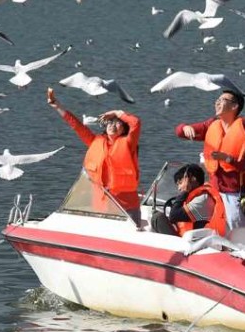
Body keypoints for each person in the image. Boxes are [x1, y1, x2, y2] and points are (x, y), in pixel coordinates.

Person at [47, 87, 142, 225]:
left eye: (118, 123)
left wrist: (117, 112)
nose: (112, 125)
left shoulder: (128, 143)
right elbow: (76, 125)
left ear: (124, 130)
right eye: (110, 122)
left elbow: (135, 123)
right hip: (102, 206)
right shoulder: (95, 141)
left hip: (126, 207)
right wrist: (57, 106)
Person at [175, 88, 245, 230]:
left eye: (223, 100)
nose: (217, 103)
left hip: (235, 194)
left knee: (234, 232)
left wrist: (228, 159)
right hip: (214, 190)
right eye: (217, 100)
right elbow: (179, 132)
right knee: (208, 226)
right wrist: (185, 127)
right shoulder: (212, 125)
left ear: (234, 106)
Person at [153, 163, 227, 237]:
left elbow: (174, 215)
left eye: (180, 183)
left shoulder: (203, 199)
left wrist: (185, 191)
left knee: (157, 218)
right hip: (191, 238)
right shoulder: (197, 196)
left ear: (192, 179)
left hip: (195, 243)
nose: (179, 188)